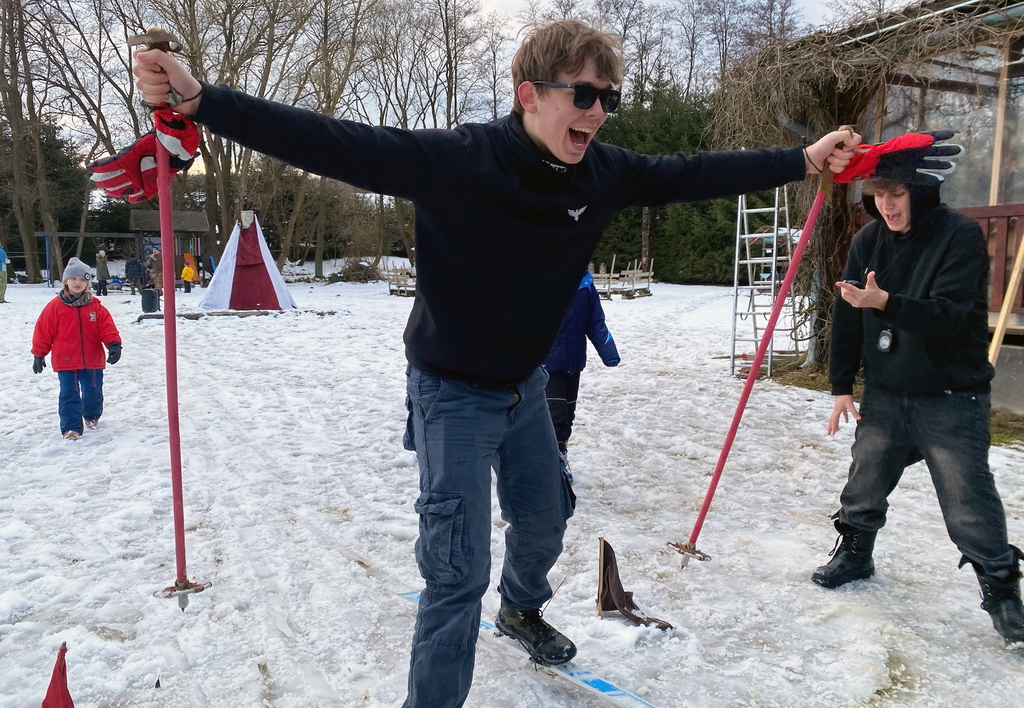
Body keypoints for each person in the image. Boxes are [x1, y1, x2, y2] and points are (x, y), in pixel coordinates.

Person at [133, 20, 859, 707]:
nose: (598, 113)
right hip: (450, 392)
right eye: (583, 94)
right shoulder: (459, 160)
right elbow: (336, 143)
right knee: (456, 573)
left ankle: (521, 609)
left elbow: (690, 173)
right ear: (529, 95)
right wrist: (204, 103)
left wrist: (801, 159)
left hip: (525, 387)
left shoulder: (602, 172)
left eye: (608, 98)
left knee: (545, 519)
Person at [814, 131, 1024, 645]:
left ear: (921, 191)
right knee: (865, 478)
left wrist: (885, 303)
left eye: (898, 193)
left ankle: (1002, 590)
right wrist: (842, 386)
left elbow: (949, 317)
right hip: (887, 391)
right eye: (879, 194)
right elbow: (849, 316)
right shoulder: (868, 241)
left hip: (951, 394)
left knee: (967, 497)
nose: (887, 205)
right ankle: (856, 553)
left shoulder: (958, 237)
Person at [31, 257, 122, 440]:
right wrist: (39, 354)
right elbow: (43, 331)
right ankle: (71, 427)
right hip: (65, 359)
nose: (77, 283)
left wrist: (114, 345)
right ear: (66, 281)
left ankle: (91, 415)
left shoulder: (96, 307)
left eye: (82, 279)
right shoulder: (55, 307)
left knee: (93, 391)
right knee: (69, 394)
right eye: (73, 279)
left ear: (87, 283)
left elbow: (107, 328)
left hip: (92, 358)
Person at [543, 270, 619, 482]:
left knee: (567, 416)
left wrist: (609, 352)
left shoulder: (585, 284)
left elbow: (595, 321)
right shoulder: (543, 277)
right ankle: (554, 464)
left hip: (573, 362)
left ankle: (561, 454)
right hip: (547, 363)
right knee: (555, 416)